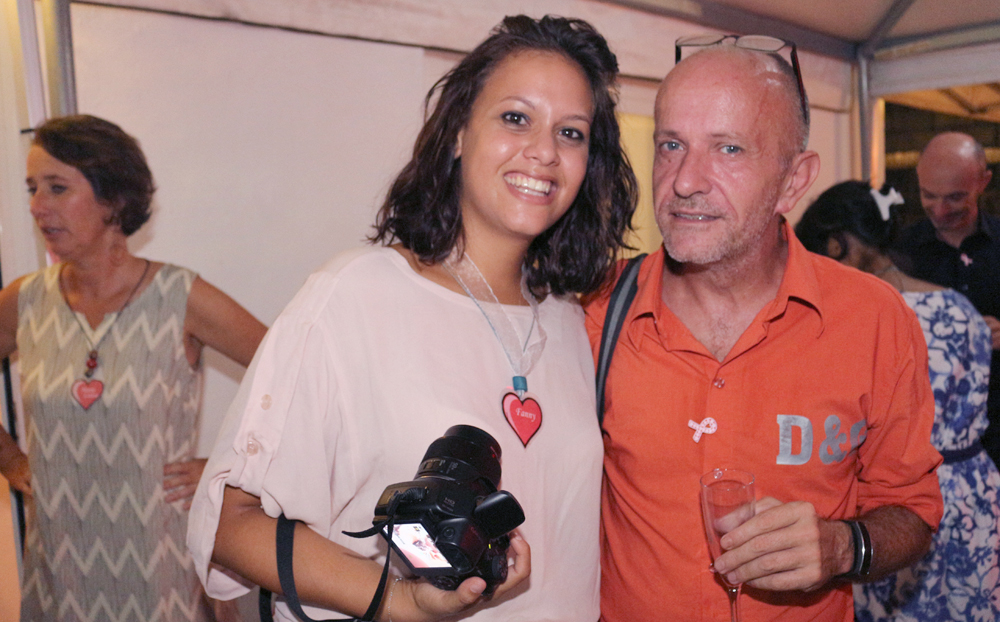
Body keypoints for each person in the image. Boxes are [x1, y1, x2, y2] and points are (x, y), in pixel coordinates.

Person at [187, 14, 636, 622]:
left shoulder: (571, 322)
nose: (544, 151)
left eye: (572, 132)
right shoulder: (356, 295)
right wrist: (399, 600)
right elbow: (230, 523)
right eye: (515, 118)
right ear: (458, 133)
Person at [584, 39, 944, 622]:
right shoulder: (593, 310)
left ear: (793, 181)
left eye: (728, 148)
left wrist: (843, 547)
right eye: (671, 145)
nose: (684, 181)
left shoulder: (874, 318)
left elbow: (913, 510)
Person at [0, 115, 267, 621]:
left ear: (113, 199)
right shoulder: (26, 300)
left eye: (57, 188)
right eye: (33, 189)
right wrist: (11, 461)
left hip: (160, 570)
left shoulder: (181, 298)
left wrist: (229, 469)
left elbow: (299, 382)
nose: (37, 206)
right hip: (59, 570)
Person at [795, 179, 1000, 621]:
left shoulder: (857, 323)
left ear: (834, 246)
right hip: (974, 495)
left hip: (895, 512)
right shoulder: (958, 307)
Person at [895, 132, 1000, 467]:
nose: (940, 211)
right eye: (928, 195)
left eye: (955, 197)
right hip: (922, 439)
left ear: (983, 182)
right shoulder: (898, 252)